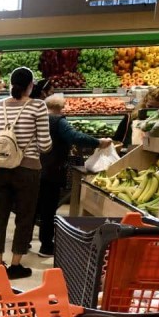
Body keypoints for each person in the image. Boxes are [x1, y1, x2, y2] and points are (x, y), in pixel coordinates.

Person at [0, 67, 52, 280]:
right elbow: (46, 145)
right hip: (27, 170)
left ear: (11, 84)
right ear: (31, 86)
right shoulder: (38, 106)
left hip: (0, 169)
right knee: (25, 217)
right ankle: (15, 265)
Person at [36, 94, 112, 257]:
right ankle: (46, 246)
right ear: (60, 107)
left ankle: (23, 242)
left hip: (34, 169)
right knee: (48, 210)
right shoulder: (59, 121)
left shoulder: (38, 119)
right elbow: (75, 137)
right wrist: (98, 142)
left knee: (32, 208)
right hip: (51, 170)